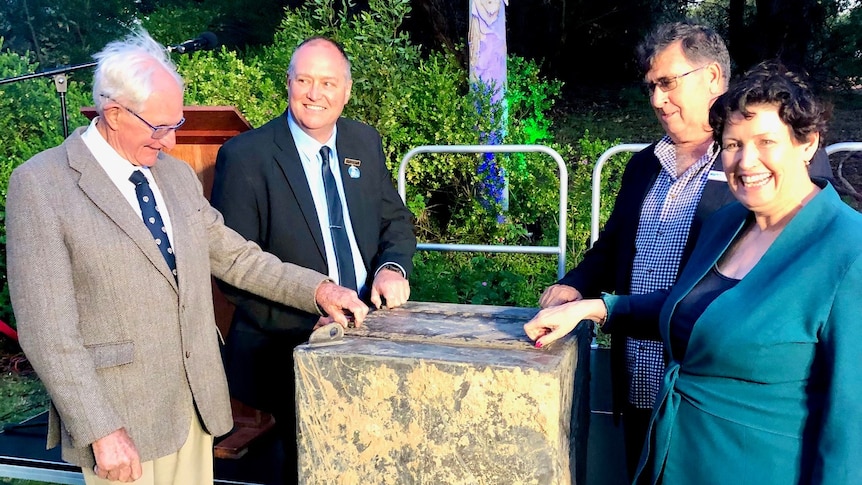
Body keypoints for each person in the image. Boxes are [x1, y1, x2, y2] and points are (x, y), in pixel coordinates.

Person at [6, 29, 368, 485]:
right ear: (114, 114)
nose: (171, 143)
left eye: (175, 124)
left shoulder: (174, 176)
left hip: (197, 411)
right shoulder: (41, 186)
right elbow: (48, 332)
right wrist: (101, 428)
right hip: (124, 425)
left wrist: (318, 289)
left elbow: (238, 258)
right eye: (160, 127)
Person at [526, 61, 862, 484]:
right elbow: (692, 315)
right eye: (733, 144)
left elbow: (852, 430)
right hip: (672, 459)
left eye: (766, 141)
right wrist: (593, 308)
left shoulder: (849, 251)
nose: (746, 160)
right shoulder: (727, 224)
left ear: (808, 143)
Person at [210, 36, 416, 480]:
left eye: (328, 82)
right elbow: (234, 272)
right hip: (287, 346)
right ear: (288, 84)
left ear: (347, 90)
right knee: (311, 469)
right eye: (304, 80)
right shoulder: (246, 157)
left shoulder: (364, 140)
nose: (315, 94)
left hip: (372, 331)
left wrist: (391, 267)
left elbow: (395, 221)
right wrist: (310, 324)